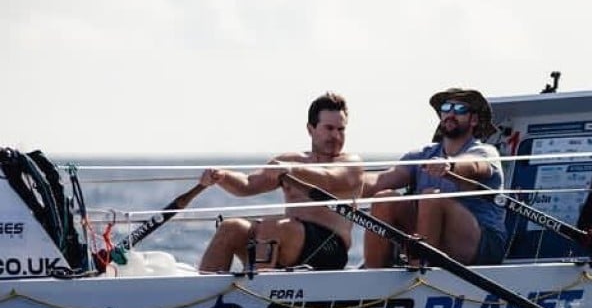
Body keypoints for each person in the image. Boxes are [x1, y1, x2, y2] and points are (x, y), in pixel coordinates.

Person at [198, 92, 363, 272]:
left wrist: (291, 169)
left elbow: (328, 178)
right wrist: (221, 176)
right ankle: (202, 292)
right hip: (287, 241)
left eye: (341, 130)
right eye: (329, 128)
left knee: (273, 227)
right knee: (231, 227)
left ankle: (257, 289)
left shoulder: (351, 163)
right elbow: (247, 184)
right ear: (311, 129)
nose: (336, 136)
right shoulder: (291, 159)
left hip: (329, 249)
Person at [363, 88, 506, 268]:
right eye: (447, 108)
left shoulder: (485, 152)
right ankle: (373, 279)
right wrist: (340, 183)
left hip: (482, 244)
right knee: (385, 198)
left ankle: (418, 270)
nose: (451, 113)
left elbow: (475, 165)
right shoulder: (424, 154)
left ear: (474, 120)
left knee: (432, 198)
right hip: (437, 239)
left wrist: (450, 165)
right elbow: (381, 180)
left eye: (460, 109)